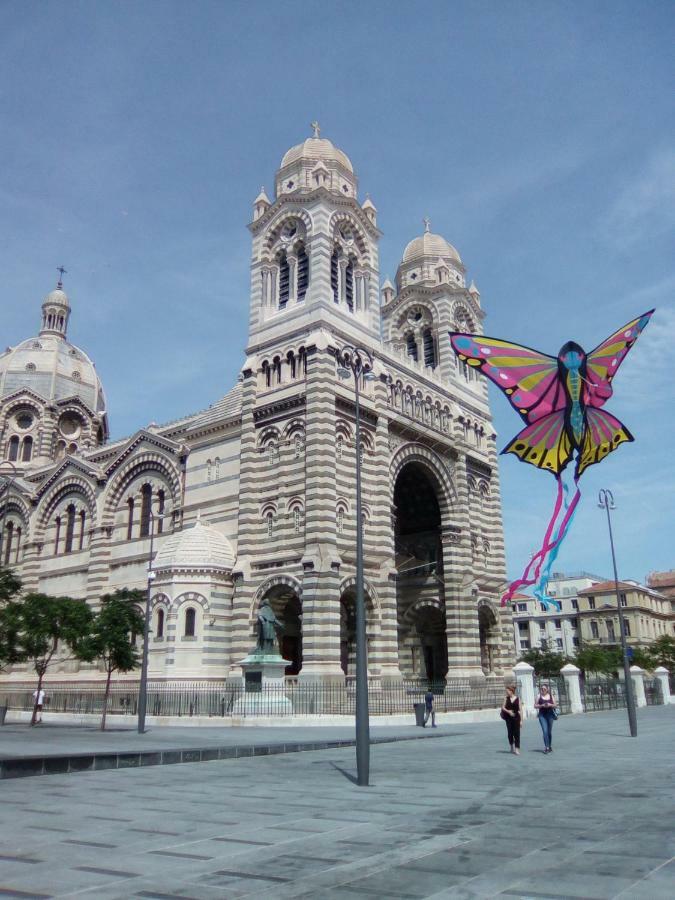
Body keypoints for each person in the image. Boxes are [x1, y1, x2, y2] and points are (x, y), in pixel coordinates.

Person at [534, 682, 557, 753]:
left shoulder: (551, 696)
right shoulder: (538, 696)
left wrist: (550, 704)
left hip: (550, 715)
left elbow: (555, 705)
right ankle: (546, 747)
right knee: (545, 731)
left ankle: (549, 746)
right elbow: (535, 705)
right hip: (542, 715)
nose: (542, 690)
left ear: (547, 689)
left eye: (544, 689)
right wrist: (541, 706)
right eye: (541, 689)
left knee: (549, 732)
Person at [501, 684, 522, 754]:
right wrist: (508, 711)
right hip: (508, 718)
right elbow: (503, 707)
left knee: (517, 733)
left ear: (511, 691)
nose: (507, 692)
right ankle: (511, 746)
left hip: (516, 717)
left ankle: (517, 748)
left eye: (507, 691)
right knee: (510, 733)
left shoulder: (518, 699)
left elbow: (521, 710)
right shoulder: (506, 698)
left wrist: (521, 721)